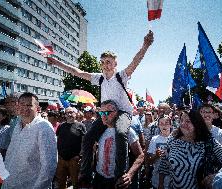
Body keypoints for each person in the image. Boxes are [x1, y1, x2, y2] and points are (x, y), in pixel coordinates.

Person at [49, 30, 154, 184]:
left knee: (120, 134)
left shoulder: (121, 76)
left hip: (123, 113)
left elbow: (135, 61)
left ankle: (119, 174)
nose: (106, 65)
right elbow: (76, 72)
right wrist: (56, 62)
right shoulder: (98, 78)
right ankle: (85, 173)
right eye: (103, 62)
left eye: (109, 62)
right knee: (88, 138)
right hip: (106, 113)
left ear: (115, 64)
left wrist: (145, 45)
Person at [158, 110, 222, 189]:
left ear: (197, 123)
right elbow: (164, 163)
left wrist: (216, 176)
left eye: (188, 121)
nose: (183, 124)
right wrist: (161, 184)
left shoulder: (209, 142)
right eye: (181, 120)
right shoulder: (173, 139)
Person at [2, 92, 57, 189]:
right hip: (10, 183)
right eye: (22, 104)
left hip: (30, 185)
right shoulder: (17, 125)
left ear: (37, 108)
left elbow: (49, 166)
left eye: (29, 105)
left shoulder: (43, 127)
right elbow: (11, 154)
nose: (25, 108)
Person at [93, 100, 144, 189]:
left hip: (117, 180)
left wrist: (129, 174)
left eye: (107, 113)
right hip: (99, 178)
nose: (103, 116)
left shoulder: (127, 132)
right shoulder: (99, 131)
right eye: (101, 113)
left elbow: (140, 155)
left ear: (116, 113)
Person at [56, 107, 86, 189]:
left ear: (76, 114)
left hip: (74, 159)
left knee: (75, 183)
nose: (69, 114)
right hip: (61, 159)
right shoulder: (61, 126)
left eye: (71, 112)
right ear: (65, 115)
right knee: (61, 183)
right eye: (67, 113)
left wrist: (80, 155)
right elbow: (58, 139)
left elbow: (84, 142)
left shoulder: (81, 126)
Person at [147, 116, 172, 189]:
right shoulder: (154, 139)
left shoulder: (175, 139)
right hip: (157, 181)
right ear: (158, 126)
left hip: (173, 182)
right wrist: (156, 156)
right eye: (161, 123)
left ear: (171, 125)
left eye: (166, 123)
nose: (164, 125)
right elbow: (149, 161)